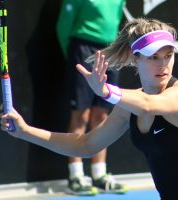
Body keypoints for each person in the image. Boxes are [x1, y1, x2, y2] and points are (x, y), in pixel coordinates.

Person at [1, 18, 178, 200]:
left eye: (168, 55)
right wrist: (25, 131)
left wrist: (106, 92)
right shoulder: (127, 107)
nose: (163, 64)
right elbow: (86, 145)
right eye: (153, 57)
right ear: (136, 58)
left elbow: (148, 106)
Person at [56, 0, 127, 195]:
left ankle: (99, 174)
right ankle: (76, 176)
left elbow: (116, 22)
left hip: (110, 52)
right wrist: (73, 56)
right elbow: (63, 27)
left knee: (102, 115)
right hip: (82, 50)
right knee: (81, 115)